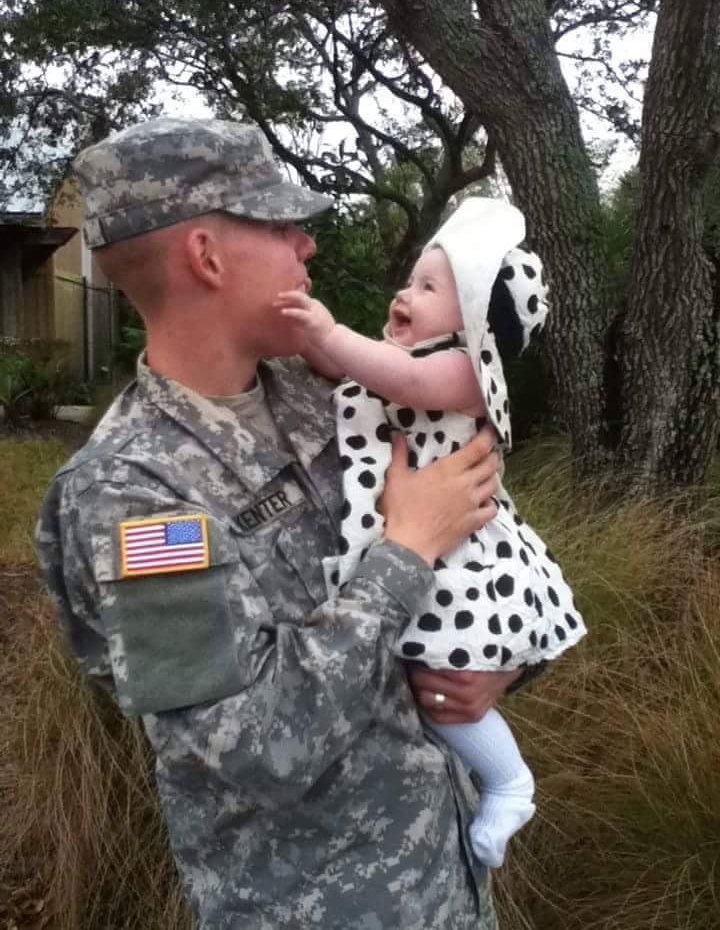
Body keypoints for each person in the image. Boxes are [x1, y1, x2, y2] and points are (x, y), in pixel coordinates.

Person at [34, 117, 535, 930]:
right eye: (279, 225)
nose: (306, 245)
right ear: (206, 256)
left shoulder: (328, 397)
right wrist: (405, 552)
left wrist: (499, 670)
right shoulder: (130, 491)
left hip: (447, 883)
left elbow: (481, 562)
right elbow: (252, 748)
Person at [278, 197, 587, 868]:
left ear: (475, 319)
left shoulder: (462, 372)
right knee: (429, 685)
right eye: (411, 279)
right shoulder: (407, 356)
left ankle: (509, 781)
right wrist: (316, 342)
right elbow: (355, 372)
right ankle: (479, 779)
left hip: (462, 563)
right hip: (423, 548)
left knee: (447, 688)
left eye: (428, 287)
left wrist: (326, 334)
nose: (404, 292)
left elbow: (398, 376)